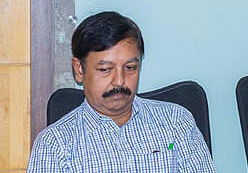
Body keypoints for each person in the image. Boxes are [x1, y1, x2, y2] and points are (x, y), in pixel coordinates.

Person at [27, 11, 216, 173]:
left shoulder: (176, 122)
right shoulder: (55, 144)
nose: (119, 81)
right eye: (105, 69)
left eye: (130, 67)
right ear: (79, 69)